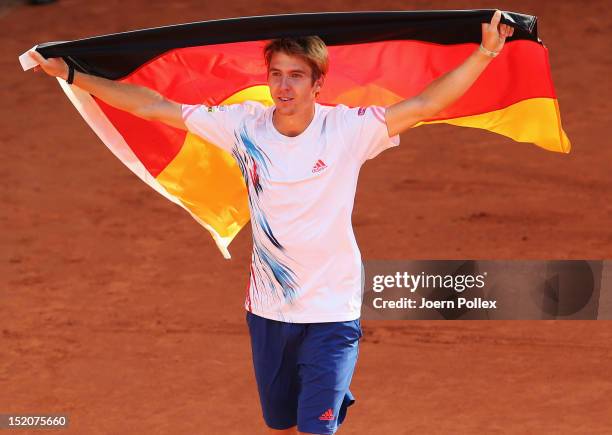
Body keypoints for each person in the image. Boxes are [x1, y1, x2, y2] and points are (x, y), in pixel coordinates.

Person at [28, 10, 513, 435]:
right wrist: (73, 73)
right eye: (276, 74)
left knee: (315, 430)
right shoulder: (243, 125)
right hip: (268, 312)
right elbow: (153, 106)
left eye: (296, 76)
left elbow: (425, 105)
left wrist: (485, 54)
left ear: (318, 83)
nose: (283, 87)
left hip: (331, 312)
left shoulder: (348, 129)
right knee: (279, 426)